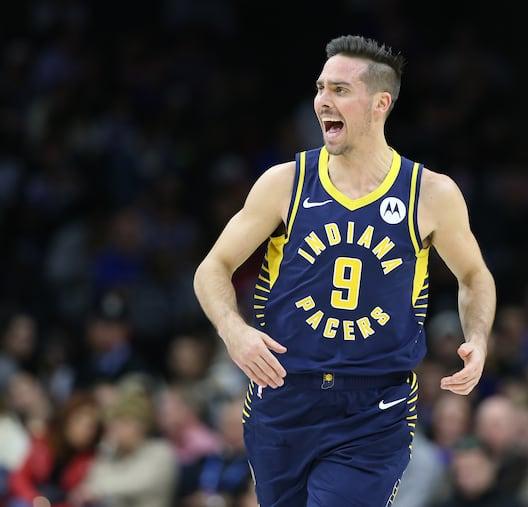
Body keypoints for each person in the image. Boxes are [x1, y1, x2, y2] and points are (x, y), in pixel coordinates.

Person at [193, 35, 496, 506]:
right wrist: (233, 331)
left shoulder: (429, 193)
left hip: (373, 409)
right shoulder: (285, 182)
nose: (321, 102)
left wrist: (477, 337)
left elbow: (475, 276)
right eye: (320, 88)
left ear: (380, 104)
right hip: (282, 395)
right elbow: (213, 267)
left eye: (339, 90)